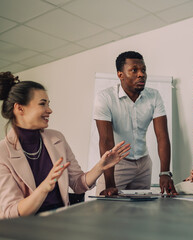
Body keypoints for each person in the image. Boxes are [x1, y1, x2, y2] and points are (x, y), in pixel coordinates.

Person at [0, 72, 131, 218]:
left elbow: (77, 184)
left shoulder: (57, 138)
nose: (50, 110)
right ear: (20, 109)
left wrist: (101, 166)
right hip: (29, 228)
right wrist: (44, 188)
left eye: (49, 104)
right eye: (42, 104)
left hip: (61, 220)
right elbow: (10, 213)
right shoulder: (2, 153)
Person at [94, 51, 176, 196]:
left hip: (143, 164)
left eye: (143, 70)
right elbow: (106, 140)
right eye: (134, 70)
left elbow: (162, 136)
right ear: (120, 75)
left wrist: (164, 172)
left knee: (139, 212)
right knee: (106, 211)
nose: (141, 74)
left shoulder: (154, 96)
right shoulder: (105, 98)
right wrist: (110, 182)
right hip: (116, 163)